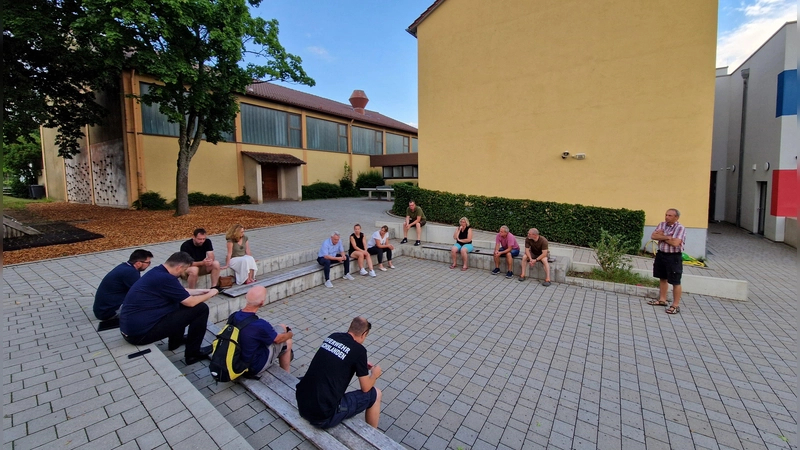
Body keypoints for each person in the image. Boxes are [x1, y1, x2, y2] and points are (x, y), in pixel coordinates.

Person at [120, 252, 219, 365]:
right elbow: (190, 303)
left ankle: (175, 342)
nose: (184, 273)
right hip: (139, 335)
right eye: (185, 270)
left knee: (177, 302)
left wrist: (202, 291)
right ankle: (193, 354)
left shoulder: (159, 272)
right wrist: (211, 293)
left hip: (132, 329)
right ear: (179, 267)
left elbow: (180, 292)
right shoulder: (166, 278)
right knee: (201, 309)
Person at [296, 317, 383, 429]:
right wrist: (374, 374)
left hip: (302, 404)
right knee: (376, 394)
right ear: (364, 334)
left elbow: (336, 358)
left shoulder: (333, 336)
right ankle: (373, 438)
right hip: (324, 415)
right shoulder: (359, 350)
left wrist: (359, 364)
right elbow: (366, 388)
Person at [232, 286, 293, 373]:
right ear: (262, 303)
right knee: (288, 342)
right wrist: (290, 334)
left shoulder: (234, 316)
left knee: (282, 326)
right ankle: (287, 376)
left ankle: (282, 354)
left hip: (237, 357)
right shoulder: (260, 325)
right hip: (252, 366)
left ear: (246, 297)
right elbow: (278, 340)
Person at [93, 249, 153, 321]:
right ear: (138, 263)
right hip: (108, 312)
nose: (149, 265)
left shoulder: (124, 266)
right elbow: (142, 293)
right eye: (148, 262)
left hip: (102, 309)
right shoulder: (130, 272)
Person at [646, 208, 686, 314]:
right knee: (662, 277)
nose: (667, 217)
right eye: (666, 215)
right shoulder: (662, 225)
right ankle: (662, 300)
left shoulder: (680, 228)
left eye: (670, 216)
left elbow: (675, 243)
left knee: (675, 281)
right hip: (661, 254)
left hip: (673, 257)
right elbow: (653, 236)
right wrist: (668, 237)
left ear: (676, 217)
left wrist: (662, 237)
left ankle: (675, 305)